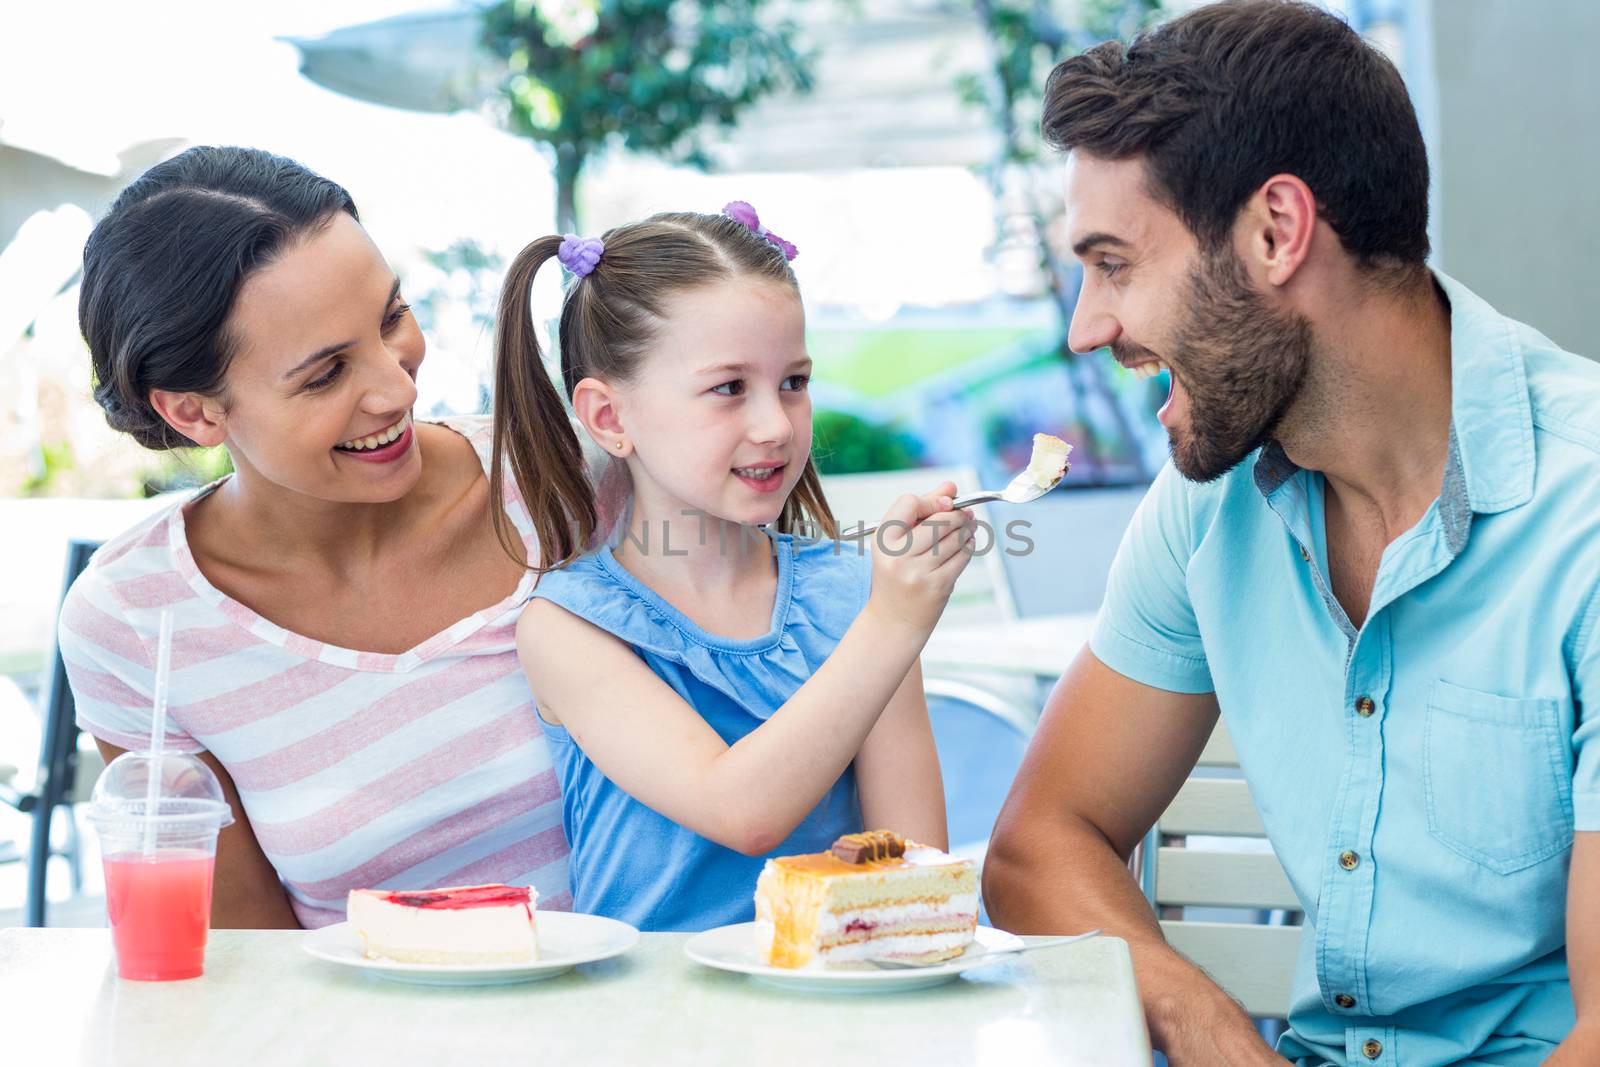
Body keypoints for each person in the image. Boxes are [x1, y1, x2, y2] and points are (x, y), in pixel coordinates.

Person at [981, 3, 1600, 1065]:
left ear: (1276, 231)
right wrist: (1204, 1018)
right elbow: (1042, 842)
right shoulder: (1208, 498)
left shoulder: (1582, 513)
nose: (1087, 327)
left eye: (1115, 263)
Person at [61, 146, 623, 928]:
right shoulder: (135, 619)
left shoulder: (574, 483)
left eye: (393, 316)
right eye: (325, 374)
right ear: (193, 411)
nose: (397, 387)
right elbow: (246, 970)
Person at [493, 204, 974, 931]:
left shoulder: (854, 595)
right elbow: (741, 810)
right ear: (609, 417)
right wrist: (894, 621)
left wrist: (886, 616)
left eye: (794, 381)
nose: (777, 425)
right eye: (728, 388)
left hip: (838, 1009)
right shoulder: (566, 627)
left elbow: (916, 878)